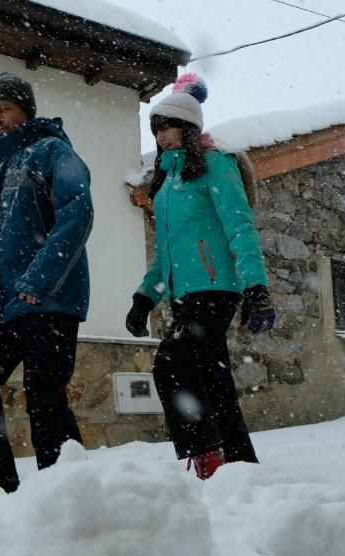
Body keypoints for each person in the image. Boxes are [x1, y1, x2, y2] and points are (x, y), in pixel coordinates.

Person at [125, 73, 275, 480]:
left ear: (189, 129)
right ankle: (240, 462)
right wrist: (144, 297)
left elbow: (240, 228)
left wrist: (256, 288)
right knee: (213, 377)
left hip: (216, 289)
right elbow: (167, 255)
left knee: (170, 362)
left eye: (167, 127)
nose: (161, 137)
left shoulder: (215, 167)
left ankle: (208, 455)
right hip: (183, 295)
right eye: (155, 129)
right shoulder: (165, 185)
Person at [0, 72, 93, 493]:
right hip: (4, 306)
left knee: (44, 395)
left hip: (48, 300)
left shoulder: (53, 152)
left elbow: (77, 215)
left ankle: (65, 492)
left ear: (25, 110)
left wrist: (38, 279)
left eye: (5, 109)